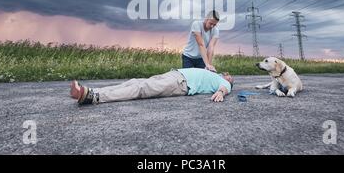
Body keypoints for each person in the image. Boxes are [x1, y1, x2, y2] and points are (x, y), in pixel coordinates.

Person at [70, 68, 234, 105]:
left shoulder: (225, 82)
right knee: (134, 82)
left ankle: (94, 98)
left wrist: (221, 92)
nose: (228, 74)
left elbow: (224, 88)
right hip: (175, 74)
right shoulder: (214, 73)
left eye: (230, 76)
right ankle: (88, 92)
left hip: (181, 84)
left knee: (142, 89)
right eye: (227, 74)